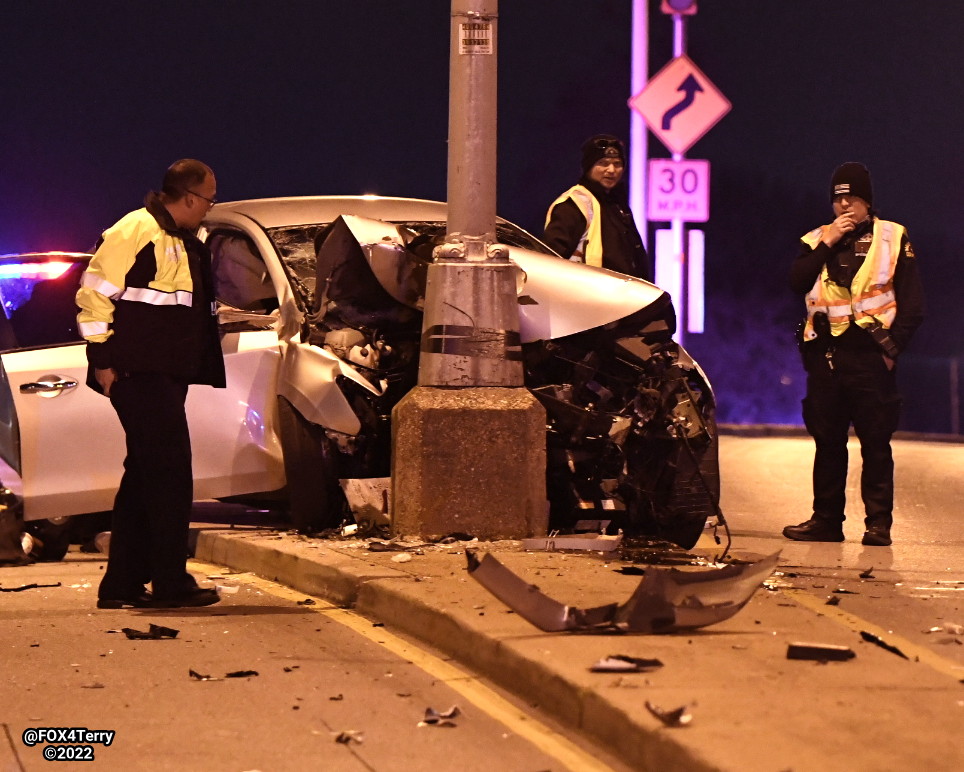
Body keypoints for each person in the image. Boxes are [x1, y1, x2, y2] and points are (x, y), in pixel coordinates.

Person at [76, 159, 226, 607]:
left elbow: (179, 309)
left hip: (163, 375)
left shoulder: (181, 240)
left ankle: (121, 586)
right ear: (190, 197)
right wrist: (101, 358)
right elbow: (93, 296)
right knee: (169, 476)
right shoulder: (133, 230)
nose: (209, 209)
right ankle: (169, 582)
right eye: (210, 200)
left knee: (144, 478)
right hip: (135, 373)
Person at [783, 162, 924, 546]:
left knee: (876, 442)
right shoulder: (815, 239)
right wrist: (828, 241)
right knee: (827, 441)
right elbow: (797, 282)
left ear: (867, 202)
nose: (845, 206)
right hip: (826, 356)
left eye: (853, 198)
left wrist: (893, 350)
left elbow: (913, 304)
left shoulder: (893, 236)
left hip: (871, 357)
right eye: (838, 199)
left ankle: (878, 524)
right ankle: (826, 520)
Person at [543, 134, 651, 280]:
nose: (611, 170)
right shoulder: (572, 204)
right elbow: (550, 259)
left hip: (622, 296)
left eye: (617, 164)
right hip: (586, 295)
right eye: (603, 163)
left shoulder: (618, 205)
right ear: (588, 167)